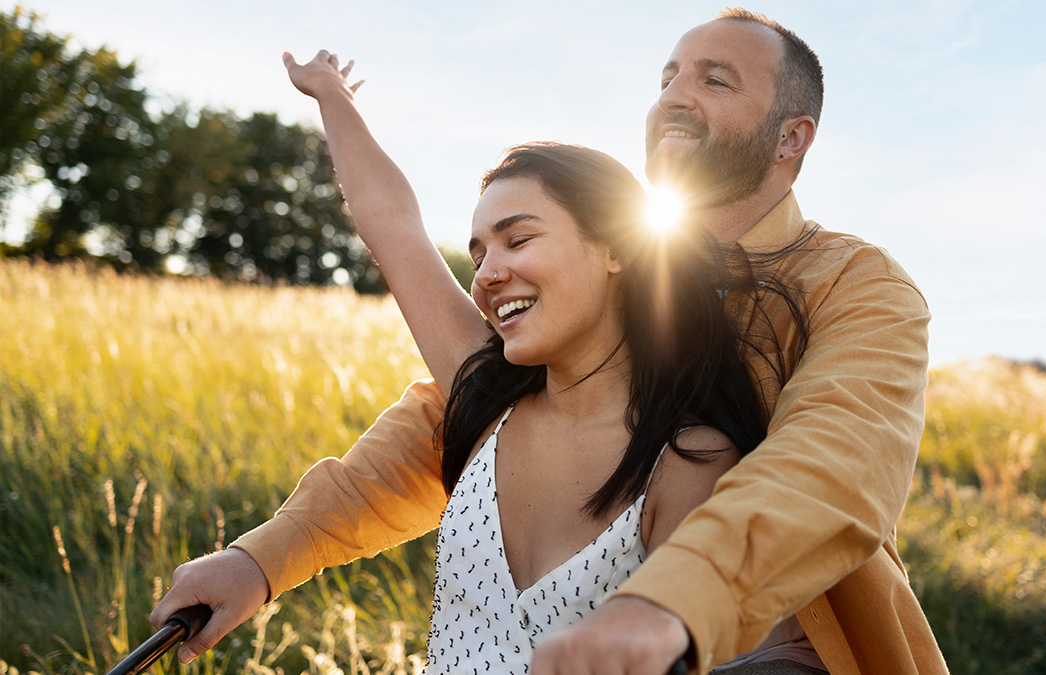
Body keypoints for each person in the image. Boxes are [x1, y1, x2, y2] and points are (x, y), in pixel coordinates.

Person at [152, 8, 948, 675]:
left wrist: (669, 602)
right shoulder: (567, 309)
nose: (674, 96)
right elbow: (449, 424)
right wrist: (263, 558)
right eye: (666, 75)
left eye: (714, 78)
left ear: (789, 138)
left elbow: (833, 466)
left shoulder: (860, 287)